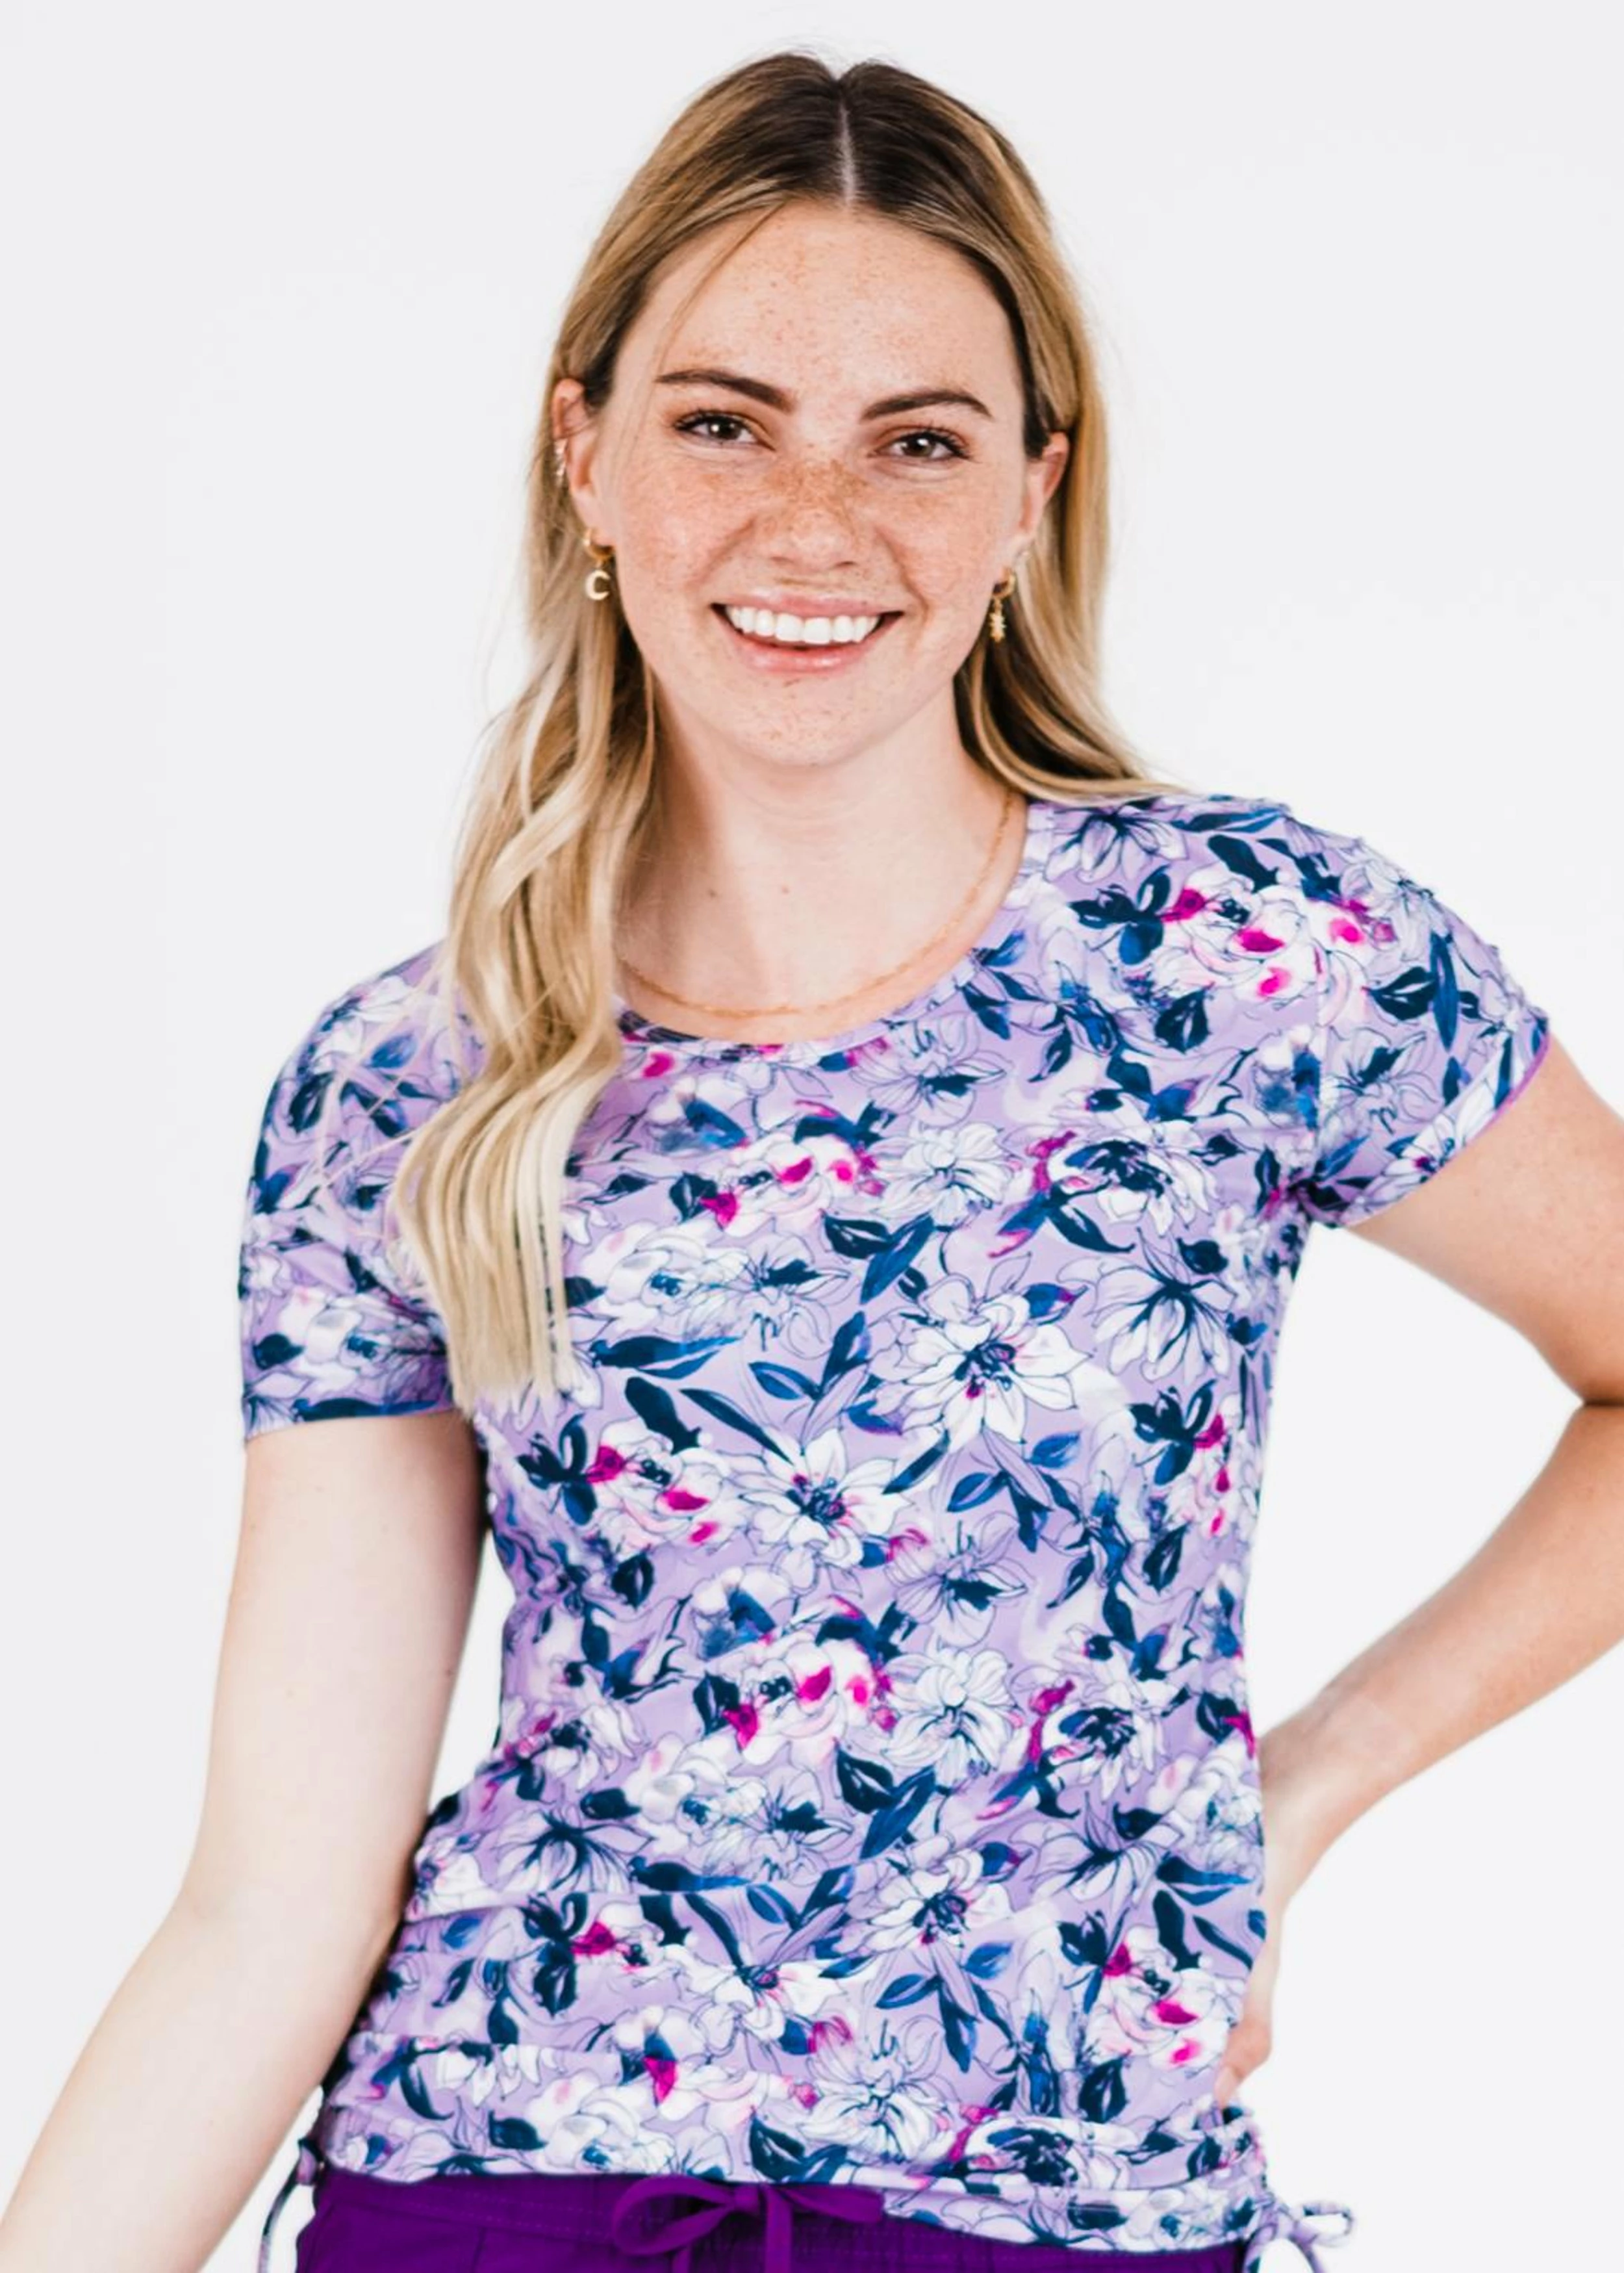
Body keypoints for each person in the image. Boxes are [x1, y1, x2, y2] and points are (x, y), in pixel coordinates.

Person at [5, 44, 1621, 2273]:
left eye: (917, 441)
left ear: (1031, 490)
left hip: (1060, 2200)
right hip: (499, 2185)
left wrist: (1304, 1785)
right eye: (722, 422)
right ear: (584, 455)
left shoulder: (1249, 961)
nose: (813, 522)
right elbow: (273, 1893)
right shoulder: (410, 1081)